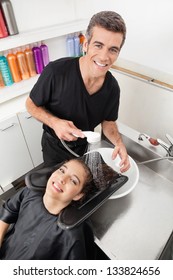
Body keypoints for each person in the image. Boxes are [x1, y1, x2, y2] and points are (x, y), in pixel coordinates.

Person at [25, 10, 130, 172]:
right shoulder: (56, 71)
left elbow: (108, 122)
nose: (104, 57)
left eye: (113, 49)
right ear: (86, 45)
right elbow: (31, 105)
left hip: (84, 148)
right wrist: (55, 123)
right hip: (54, 148)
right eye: (98, 45)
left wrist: (119, 143)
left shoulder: (112, 88)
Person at [0, 158, 95, 260]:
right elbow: (7, 213)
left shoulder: (71, 235)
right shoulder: (29, 192)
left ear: (78, 195)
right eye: (62, 170)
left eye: (73, 181)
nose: (62, 179)